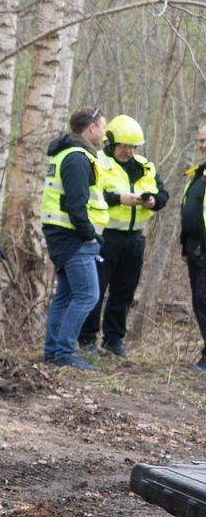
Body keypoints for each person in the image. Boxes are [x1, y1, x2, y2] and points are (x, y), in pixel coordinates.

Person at [80, 113, 166, 358]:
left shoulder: (145, 166)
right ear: (111, 143)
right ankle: (87, 338)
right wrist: (119, 199)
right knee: (96, 289)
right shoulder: (97, 162)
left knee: (124, 291)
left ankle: (114, 339)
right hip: (106, 237)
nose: (128, 151)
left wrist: (153, 201)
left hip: (134, 238)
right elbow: (90, 195)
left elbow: (163, 195)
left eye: (132, 146)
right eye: (123, 146)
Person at [40, 106, 110, 370]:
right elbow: (76, 205)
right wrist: (90, 236)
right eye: (102, 127)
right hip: (74, 238)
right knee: (87, 295)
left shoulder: (67, 154)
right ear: (91, 128)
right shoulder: (77, 158)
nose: (104, 134)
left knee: (67, 295)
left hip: (65, 236)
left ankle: (53, 350)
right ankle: (64, 353)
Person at [182, 123, 206, 371]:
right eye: (200, 141)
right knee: (200, 301)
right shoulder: (199, 173)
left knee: (203, 300)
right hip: (195, 249)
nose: (203, 145)